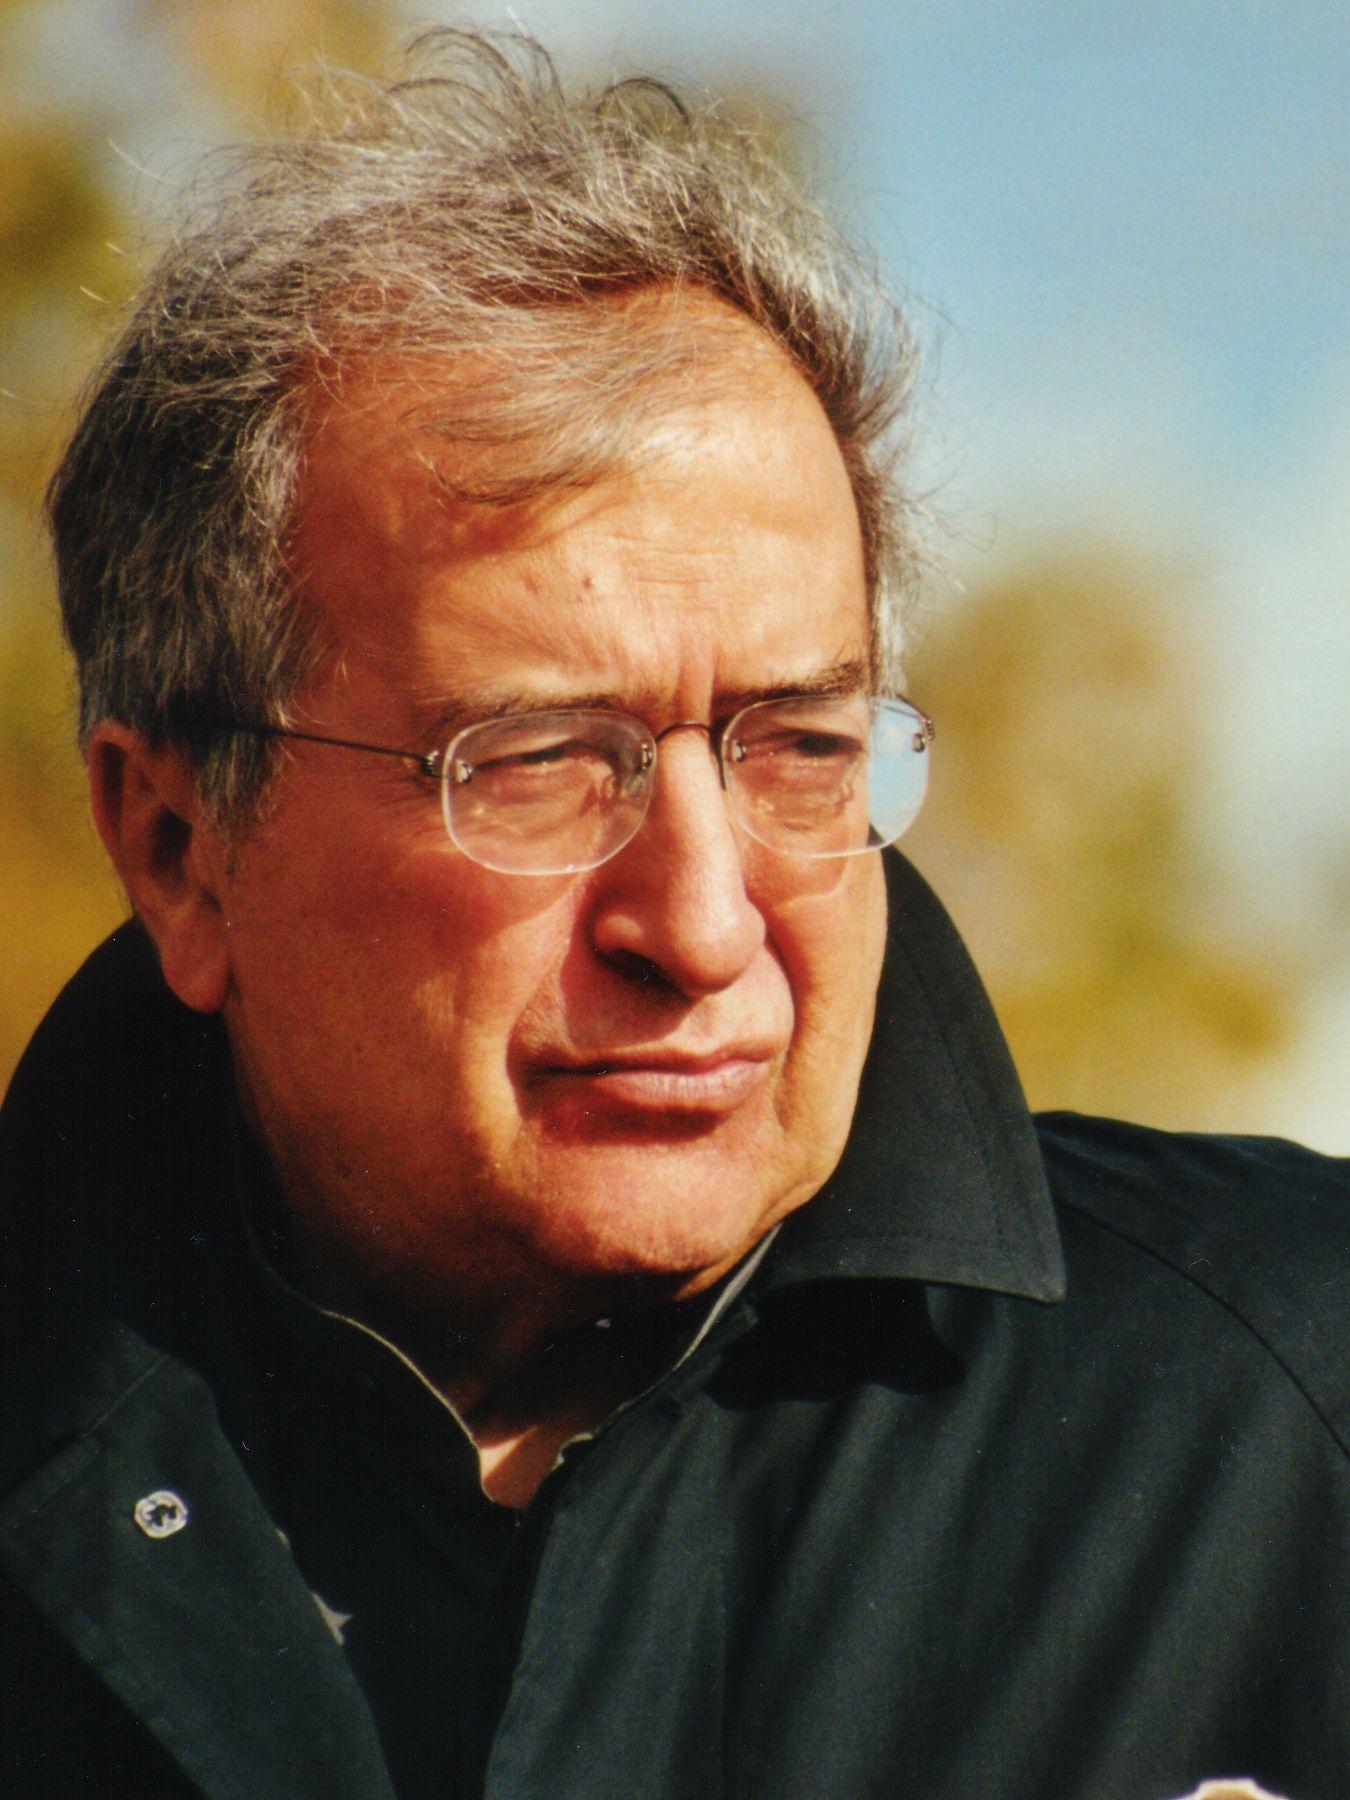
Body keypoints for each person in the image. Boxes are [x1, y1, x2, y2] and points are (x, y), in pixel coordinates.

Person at [0, 29, 1344, 1800]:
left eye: (799, 744)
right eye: (542, 761)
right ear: (177, 843)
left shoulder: (1283, 1423)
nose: (701, 924)